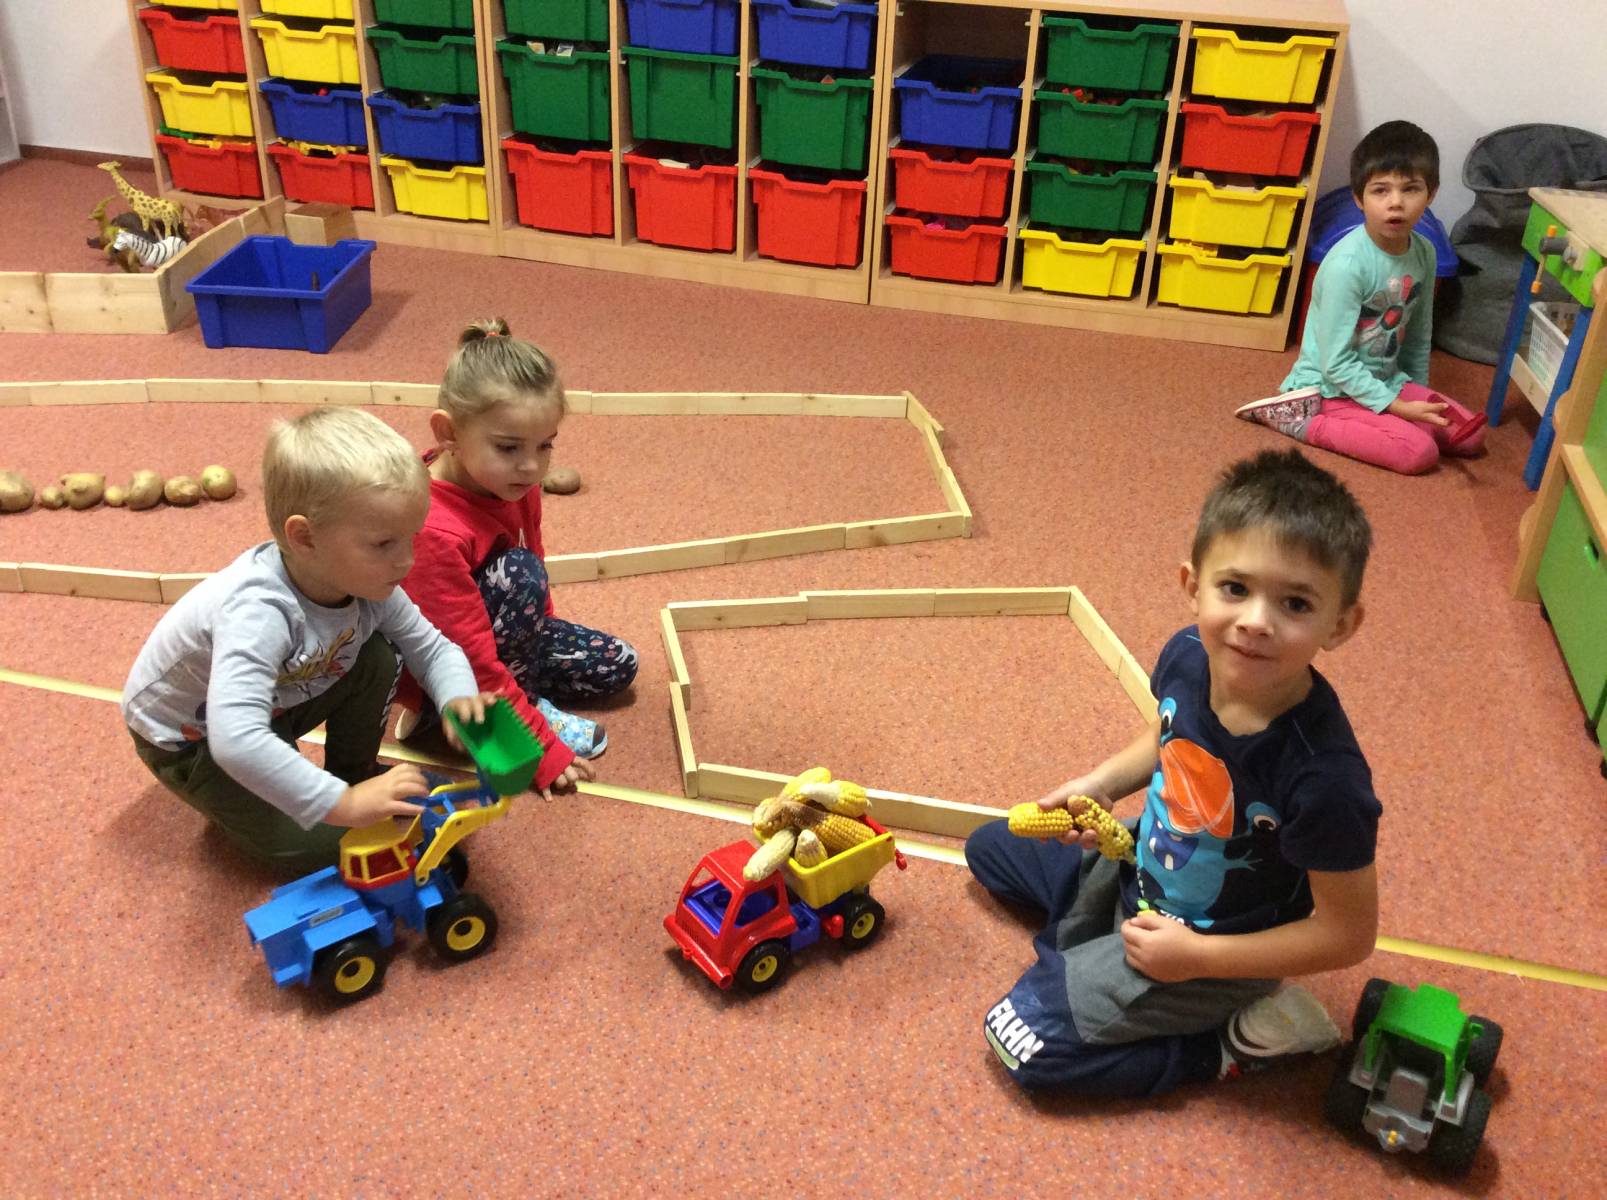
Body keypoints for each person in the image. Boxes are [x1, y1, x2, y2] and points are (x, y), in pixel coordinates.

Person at [967, 449, 1382, 1097]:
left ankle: (1226, 1045)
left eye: (1295, 603)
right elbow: (1167, 731)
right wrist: (1102, 783)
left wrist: (1197, 958)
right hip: (1142, 863)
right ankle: (1086, 953)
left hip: (1216, 947)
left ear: (1341, 624)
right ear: (1193, 585)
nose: (1255, 622)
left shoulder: (1325, 779)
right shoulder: (1189, 653)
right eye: (1234, 589)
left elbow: (1348, 935)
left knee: (1020, 1043)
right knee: (988, 848)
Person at [123, 407, 496, 875]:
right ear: (304, 537)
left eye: (411, 537)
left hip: (273, 704)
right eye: (383, 543)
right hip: (191, 739)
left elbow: (433, 648)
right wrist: (342, 805)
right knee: (327, 845)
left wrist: (456, 697)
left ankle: (355, 773)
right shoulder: (259, 611)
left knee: (378, 656)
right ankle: (331, 794)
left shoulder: (368, 583)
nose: (406, 561)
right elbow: (236, 740)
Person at [395, 318, 638, 801]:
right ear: (448, 432)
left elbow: (534, 559)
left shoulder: (510, 481)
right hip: (447, 673)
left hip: (494, 637)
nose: (530, 466)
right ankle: (453, 716)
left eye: (545, 445)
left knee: (618, 663)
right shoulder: (433, 528)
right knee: (518, 575)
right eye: (508, 447)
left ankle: (522, 690)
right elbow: (465, 653)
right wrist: (536, 749)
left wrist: (537, 628)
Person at [1236, 120, 1486, 474]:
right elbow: (1334, 363)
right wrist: (1398, 409)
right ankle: (1297, 419)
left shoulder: (1425, 253)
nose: (1396, 203)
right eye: (1380, 190)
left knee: (1469, 436)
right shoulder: (1347, 265)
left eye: (1411, 189)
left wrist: (1415, 395)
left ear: (1431, 194)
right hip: (1328, 388)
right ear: (1359, 198)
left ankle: (1388, 416)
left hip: (1385, 379)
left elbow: (1418, 334)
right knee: (1419, 453)